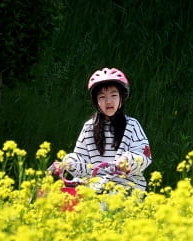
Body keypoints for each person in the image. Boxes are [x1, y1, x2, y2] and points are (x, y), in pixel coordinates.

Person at [48, 67, 152, 197]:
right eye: (102, 97)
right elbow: (82, 161)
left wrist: (127, 160)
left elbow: (143, 155)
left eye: (114, 95)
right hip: (96, 191)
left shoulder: (132, 125)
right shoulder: (89, 128)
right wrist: (69, 163)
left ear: (122, 98)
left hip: (127, 192)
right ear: (96, 102)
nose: (108, 101)